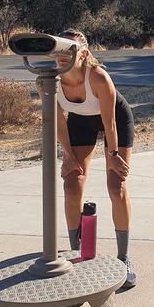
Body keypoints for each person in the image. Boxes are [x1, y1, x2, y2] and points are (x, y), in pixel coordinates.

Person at [55, 28, 136, 288]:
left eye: (69, 50)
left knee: (117, 187)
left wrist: (112, 155)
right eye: (58, 49)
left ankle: (124, 258)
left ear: (83, 54)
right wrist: (68, 156)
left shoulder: (98, 78)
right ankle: (76, 256)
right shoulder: (49, 79)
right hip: (80, 121)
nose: (62, 56)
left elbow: (110, 123)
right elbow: (57, 122)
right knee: (71, 185)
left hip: (115, 120)